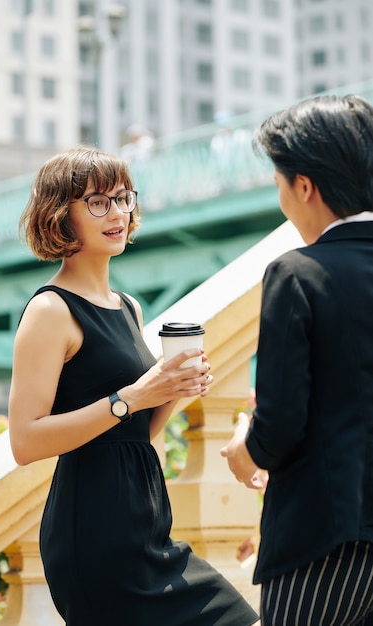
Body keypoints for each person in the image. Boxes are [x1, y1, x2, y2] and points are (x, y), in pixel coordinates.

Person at [8, 146, 260, 626]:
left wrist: (173, 389)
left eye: (123, 198)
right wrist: (136, 395)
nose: (118, 213)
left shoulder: (128, 307)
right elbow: (25, 441)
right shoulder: (50, 310)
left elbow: (133, 431)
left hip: (148, 526)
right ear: (61, 215)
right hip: (93, 532)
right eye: (98, 202)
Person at [220, 93, 373, 625]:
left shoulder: (297, 273)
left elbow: (280, 424)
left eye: (279, 181)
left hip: (324, 541)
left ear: (304, 186)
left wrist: (246, 447)